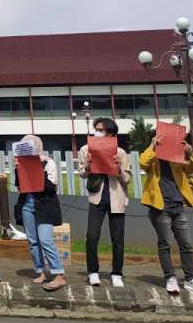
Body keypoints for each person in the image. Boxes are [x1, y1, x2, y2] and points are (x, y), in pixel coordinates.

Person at [139, 130, 193, 296]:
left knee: (186, 244)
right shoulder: (153, 158)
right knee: (165, 243)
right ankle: (170, 278)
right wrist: (153, 145)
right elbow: (142, 162)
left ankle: (191, 279)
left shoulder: (177, 158)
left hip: (178, 205)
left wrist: (190, 152)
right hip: (160, 207)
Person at [76, 118, 130, 287]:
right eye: (96, 129)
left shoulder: (120, 152)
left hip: (117, 197)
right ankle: (93, 271)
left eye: (101, 130)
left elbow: (127, 178)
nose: (97, 132)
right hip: (96, 197)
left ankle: (117, 273)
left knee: (117, 238)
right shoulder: (86, 149)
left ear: (111, 133)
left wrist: (118, 168)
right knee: (92, 235)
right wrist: (90, 166)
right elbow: (82, 173)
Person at [14, 135, 66, 291]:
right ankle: (41, 271)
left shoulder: (48, 163)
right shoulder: (21, 164)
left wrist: (37, 169)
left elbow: (51, 187)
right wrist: (19, 169)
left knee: (45, 239)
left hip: (44, 206)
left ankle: (59, 274)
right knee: (33, 241)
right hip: (27, 205)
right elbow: (19, 186)